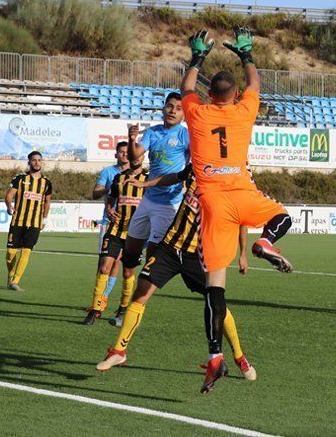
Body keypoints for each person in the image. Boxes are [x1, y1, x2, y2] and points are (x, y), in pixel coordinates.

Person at [181, 27, 294, 393]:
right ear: (233, 96)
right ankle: (267, 241)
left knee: (216, 286)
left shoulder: (196, 114)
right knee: (283, 216)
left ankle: (215, 356)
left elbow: (186, 88)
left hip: (213, 201)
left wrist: (196, 58)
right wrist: (247, 54)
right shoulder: (246, 111)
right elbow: (255, 82)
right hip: (244, 193)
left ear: (209, 94)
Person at [96, 168, 257, 381]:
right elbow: (176, 177)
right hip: (170, 247)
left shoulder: (237, 182)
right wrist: (148, 184)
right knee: (141, 292)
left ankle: (239, 357)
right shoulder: (200, 166)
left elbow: (242, 220)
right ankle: (118, 351)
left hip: (200, 254)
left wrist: (243, 253)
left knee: (218, 305)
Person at [112, 94, 190, 325]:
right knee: (130, 254)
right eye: (169, 106)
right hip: (147, 200)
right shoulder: (153, 132)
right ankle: (127, 301)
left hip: (169, 203)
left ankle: (131, 309)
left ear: (184, 113)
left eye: (178, 108)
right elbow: (136, 156)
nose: (173, 111)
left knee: (152, 262)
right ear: (163, 109)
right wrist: (131, 138)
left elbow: (194, 161)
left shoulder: (186, 135)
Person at [82, 154, 148, 324]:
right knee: (104, 267)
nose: (134, 158)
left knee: (128, 272)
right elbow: (110, 200)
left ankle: (122, 309)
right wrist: (109, 209)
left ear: (142, 157)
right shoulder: (119, 178)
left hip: (135, 234)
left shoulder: (148, 179)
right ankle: (95, 309)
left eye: (137, 155)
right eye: (132, 156)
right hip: (114, 230)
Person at [88, 140, 129, 312]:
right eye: (121, 152)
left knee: (117, 262)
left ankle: (102, 299)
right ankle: (98, 299)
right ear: (116, 154)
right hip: (108, 223)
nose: (124, 154)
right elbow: (95, 194)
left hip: (128, 225)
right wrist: (109, 189)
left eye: (127, 152)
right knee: (104, 263)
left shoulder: (138, 175)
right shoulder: (108, 171)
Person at [3, 151, 53, 291]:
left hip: (35, 223)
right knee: (10, 253)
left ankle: (15, 281)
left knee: (26, 250)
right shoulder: (19, 179)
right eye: (34, 160)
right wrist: (9, 206)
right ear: (29, 162)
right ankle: (11, 275)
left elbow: (47, 202)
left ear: (42, 162)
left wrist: (44, 218)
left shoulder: (46, 183)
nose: (37, 162)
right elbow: (9, 195)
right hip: (18, 221)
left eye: (39, 160)